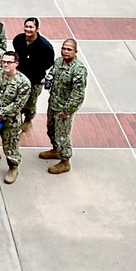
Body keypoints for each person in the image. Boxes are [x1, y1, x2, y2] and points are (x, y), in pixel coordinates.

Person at [40, 39, 87, 174]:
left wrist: (67, 111)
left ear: (75, 52)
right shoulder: (59, 61)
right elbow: (52, 73)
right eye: (64, 48)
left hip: (63, 110)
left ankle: (65, 161)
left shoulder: (78, 70)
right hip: (53, 103)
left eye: (69, 49)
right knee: (51, 130)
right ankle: (56, 150)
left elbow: (78, 95)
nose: (65, 51)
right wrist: (48, 80)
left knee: (62, 135)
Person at [0, 51, 31, 184]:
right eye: (3, 61)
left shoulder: (23, 82)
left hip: (10, 121)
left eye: (9, 62)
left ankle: (13, 167)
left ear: (16, 63)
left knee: (10, 146)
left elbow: (17, 105)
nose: (5, 64)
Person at [12, 17, 55, 132]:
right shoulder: (18, 40)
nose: (28, 29)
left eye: (31, 27)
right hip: (19, 77)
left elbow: (49, 62)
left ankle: (28, 120)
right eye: (26, 26)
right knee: (16, 98)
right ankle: (17, 119)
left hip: (35, 80)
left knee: (30, 102)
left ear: (37, 28)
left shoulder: (45, 47)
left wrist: (37, 72)